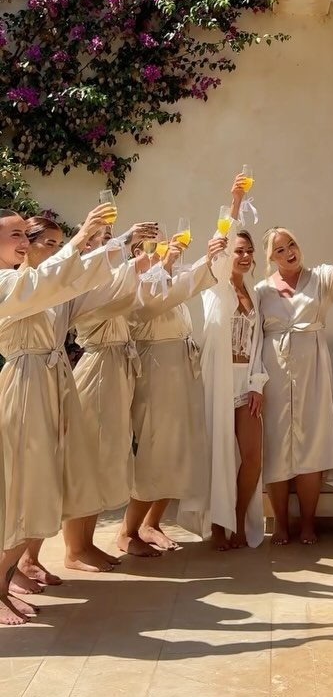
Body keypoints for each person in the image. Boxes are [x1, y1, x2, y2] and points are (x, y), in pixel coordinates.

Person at [0, 202, 118, 625]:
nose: (22, 241)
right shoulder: (5, 283)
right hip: (26, 385)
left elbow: (69, 283)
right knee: (27, 489)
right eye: (15, 235)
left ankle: (8, 580)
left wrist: (101, 245)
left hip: (48, 382)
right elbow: (48, 282)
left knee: (44, 487)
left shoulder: (27, 281)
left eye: (21, 234)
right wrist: (80, 237)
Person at [255, 213, 333, 545]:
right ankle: (280, 524)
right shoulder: (262, 291)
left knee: (311, 447)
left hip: (313, 374)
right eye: (280, 250)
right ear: (270, 258)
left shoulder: (320, 279)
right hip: (274, 375)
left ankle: (308, 523)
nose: (290, 252)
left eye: (292, 244)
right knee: (276, 448)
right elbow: (253, 339)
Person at [118, 233, 224, 556]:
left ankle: (152, 523)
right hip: (155, 374)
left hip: (181, 371)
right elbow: (154, 302)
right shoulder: (134, 288)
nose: (160, 251)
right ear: (137, 254)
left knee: (178, 450)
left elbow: (194, 280)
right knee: (155, 452)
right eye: (150, 248)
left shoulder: (167, 279)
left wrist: (220, 234)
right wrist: (165, 264)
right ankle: (127, 531)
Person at [64, 218, 159, 569]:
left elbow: (130, 298)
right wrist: (139, 262)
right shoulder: (78, 283)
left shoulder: (105, 279)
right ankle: (74, 549)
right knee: (88, 460)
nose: (108, 247)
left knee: (105, 462)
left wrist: (148, 265)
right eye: (101, 241)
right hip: (96, 372)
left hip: (116, 370)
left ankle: (86, 543)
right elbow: (116, 300)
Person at [179, 174, 266, 552]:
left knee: (252, 457)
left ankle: (238, 514)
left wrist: (257, 383)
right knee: (218, 454)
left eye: (249, 252)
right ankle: (217, 527)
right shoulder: (216, 284)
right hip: (217, 381)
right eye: (238, 251)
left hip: (245, 383)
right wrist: (234, 203)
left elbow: (259, 343)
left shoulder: (255, 294)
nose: (244, 256)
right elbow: (219, 250)